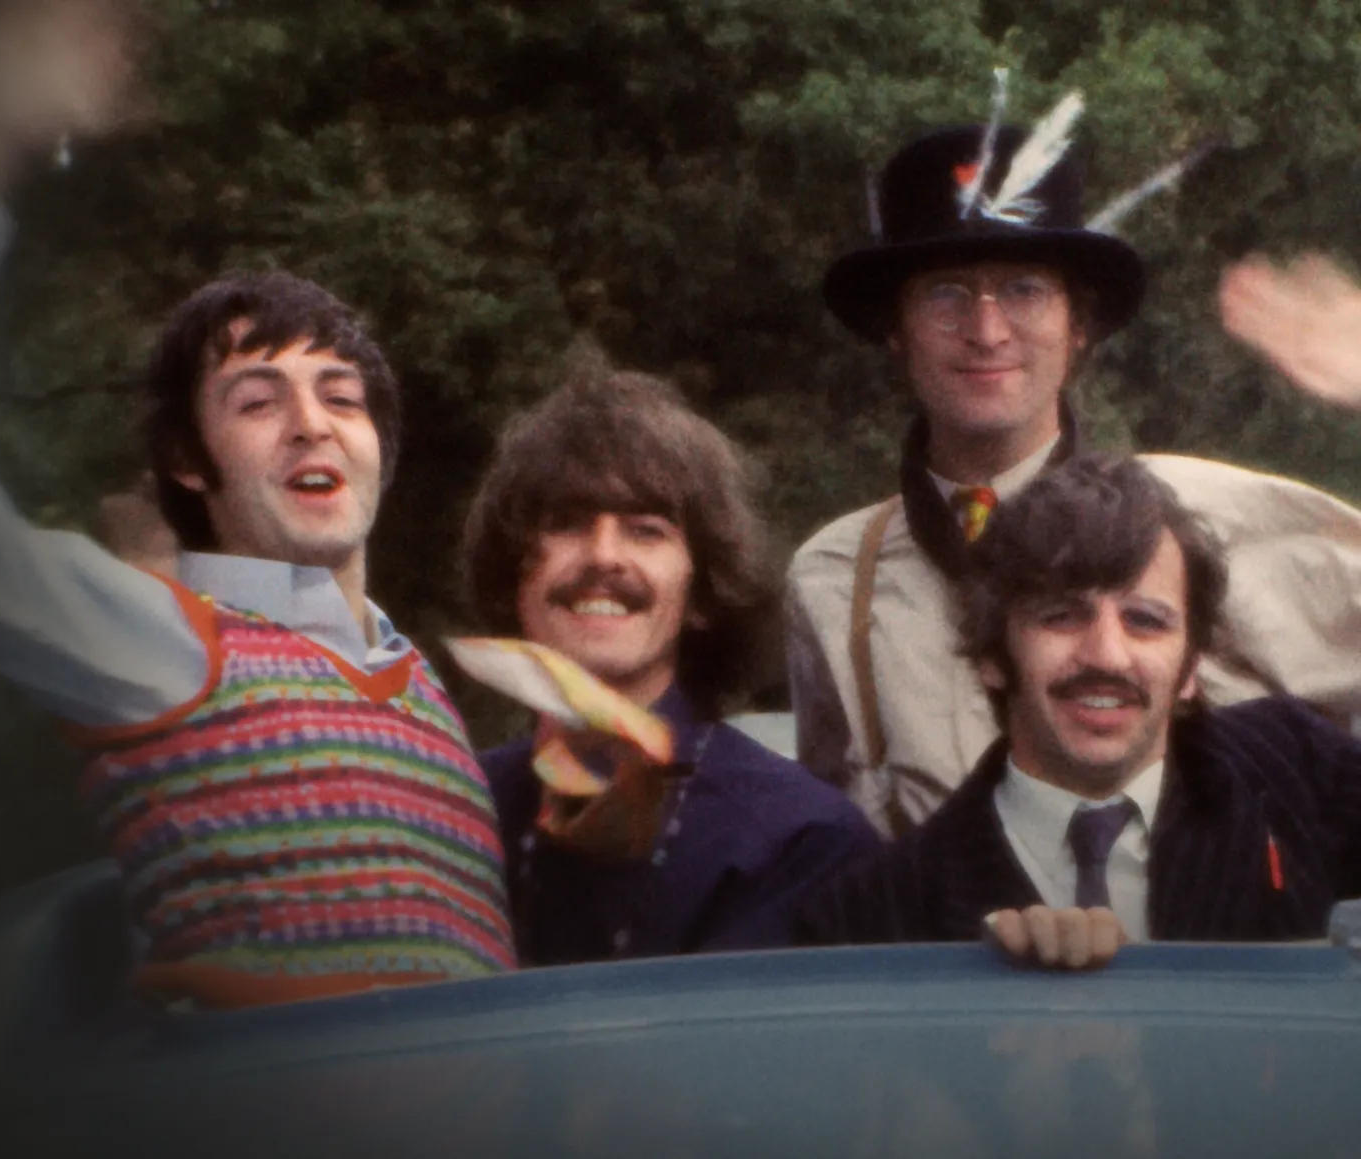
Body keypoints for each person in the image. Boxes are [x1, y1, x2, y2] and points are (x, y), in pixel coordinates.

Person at [0, 0, 513, 1008]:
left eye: (342, 397)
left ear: (382, 450)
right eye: (256, 401)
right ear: (186, 459)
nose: (311, 424)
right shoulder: (161, 640)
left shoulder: (424, 687)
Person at [784, 112, 1361, 840]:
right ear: (896, 332)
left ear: (1077, 326)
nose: (987, 330)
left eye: (1024, 290)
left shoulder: (1203, 514)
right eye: (945, 294)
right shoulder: (836, 576)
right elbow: (831, 845)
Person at [796, 453, 1361, 968]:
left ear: (1190, 667)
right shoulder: (872, 916)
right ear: (993, 655)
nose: (1107, 655)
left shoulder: (1300, 773)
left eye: (1145, 621)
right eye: (1061, 616)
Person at [455, 359, 880, 964]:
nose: (603, 556)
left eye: (645, 531)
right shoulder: (454, 805)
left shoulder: (797, 840)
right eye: (567, 524)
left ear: (702, 593)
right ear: (511, 578)